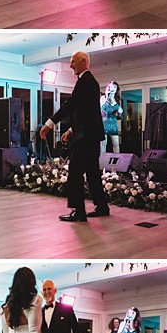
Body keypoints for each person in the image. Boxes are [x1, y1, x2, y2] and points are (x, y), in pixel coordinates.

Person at [40, 51, 108, 222]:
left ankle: (79, 211)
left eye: (73, 62)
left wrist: (49, 124)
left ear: (83, 62)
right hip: (90, 136)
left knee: (75, 173)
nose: (70, 65)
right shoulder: (88, 82)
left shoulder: (86, 82)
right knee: (92, 173)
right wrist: (71, 130)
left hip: (85, 139)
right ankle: (102, 206)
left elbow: (70, 105)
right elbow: (85, 112)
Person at [100, 81, 122, 153]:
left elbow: (119, 115)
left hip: (113, 122)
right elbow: (101, 109)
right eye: (112, 87)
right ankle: (102, 160)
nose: (113, 89)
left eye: (115, 87)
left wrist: (119, 112)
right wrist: (107, 97)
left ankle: (117, 159)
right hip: (104, 121)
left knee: (116, 143)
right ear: (108, 88)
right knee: (103, 143)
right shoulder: (103, 98)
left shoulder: (117, 99)